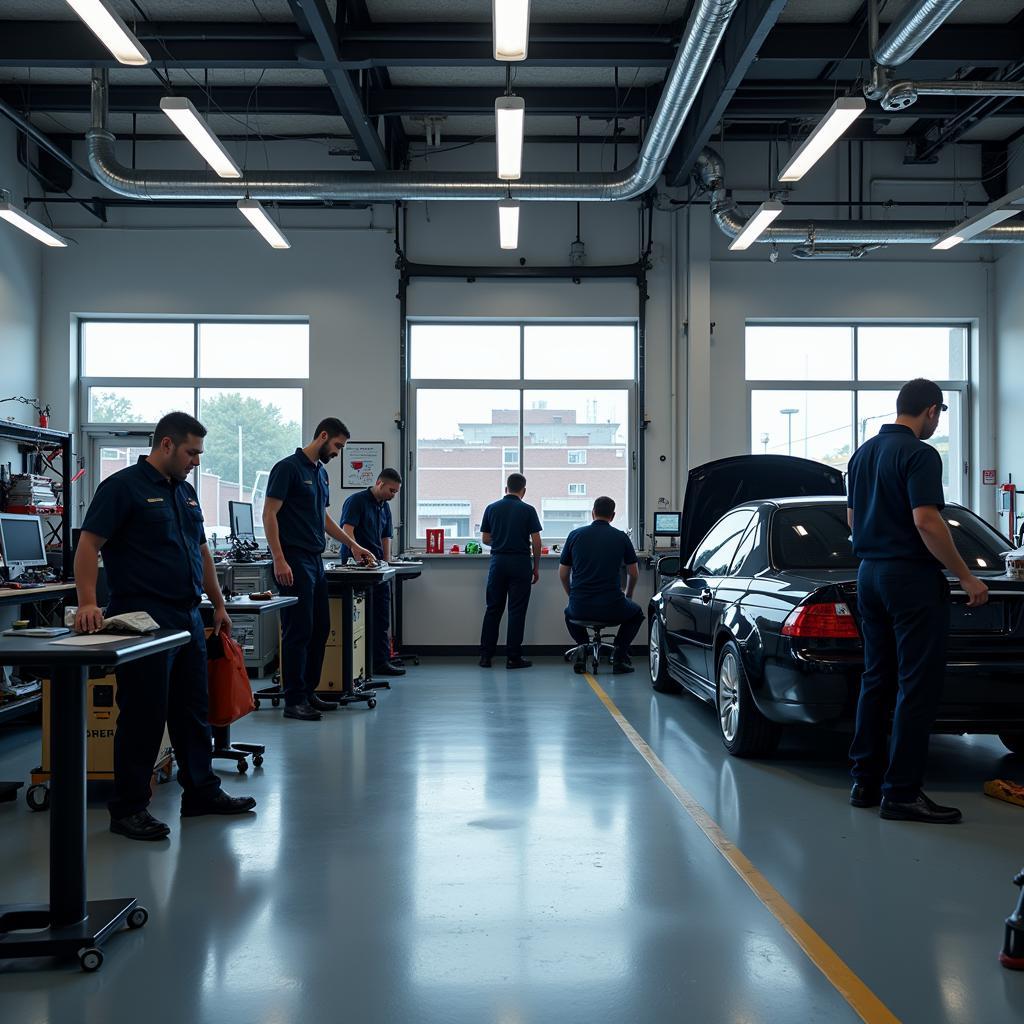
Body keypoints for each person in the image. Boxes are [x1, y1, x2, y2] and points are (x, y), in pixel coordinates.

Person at [74, 412, 256, 842]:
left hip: (189, 616)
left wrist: (218, 604)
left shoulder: (186, 493)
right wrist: (86, 601)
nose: (196, 460)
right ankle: (128, 809)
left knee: (193, 710)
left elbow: (202, 552)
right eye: (192, 452)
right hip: (144, 619)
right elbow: (88, 543)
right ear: (167, 445)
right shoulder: (122, 488)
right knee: (143, 714)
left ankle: (201, 794)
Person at [846, 378, 989, 825]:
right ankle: (902, 792)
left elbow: (851, 516)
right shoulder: (920, 454)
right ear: (932, 410)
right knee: (916, 685)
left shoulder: (863, 453)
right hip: (909, 577)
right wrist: (965, 576)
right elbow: (926, 520)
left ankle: (864, 782)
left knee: (877, 678)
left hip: (868, 574)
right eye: (940, 414)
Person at [263, 418, 375, 722]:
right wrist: (279, 558)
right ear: (322, 436)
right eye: (337, 445)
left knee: (320, 628)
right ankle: (294, 700)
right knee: (297, 631)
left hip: (315, 560)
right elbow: (269, 513)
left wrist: (354, 545)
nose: (339, 452)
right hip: (293, 559)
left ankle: (309, 691)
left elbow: (324, 519)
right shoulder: (287, 468)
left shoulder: (320, 474)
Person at [558, 496, 643, 674]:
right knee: (636, 614)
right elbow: (633, 573)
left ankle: (582, 648)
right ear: (612, 516)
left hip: (580, 606)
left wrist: (572, 595)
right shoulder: (621, 537)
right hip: (613, 607)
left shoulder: (575, 535)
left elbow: (563, 574)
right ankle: (619, 657)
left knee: (568, 612)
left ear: (593, 513)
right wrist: (628, 594)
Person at [338, 468, 405, 676]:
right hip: (357, 567)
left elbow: (387, 536)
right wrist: (356, 552)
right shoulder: (356, 501)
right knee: (358, 618)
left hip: (377, 569)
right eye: (391, 490)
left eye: (396, 492)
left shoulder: (384, 507)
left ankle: (380, 661)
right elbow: (346, 530)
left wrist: (387, 561)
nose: (393, 495)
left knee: (381, 616)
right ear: (380, 484)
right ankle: (358, 663)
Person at [478, 473, 543, 669]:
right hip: (520, 563)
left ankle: (486, 657)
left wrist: (501, 538)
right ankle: (513, 658)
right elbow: (537, 542)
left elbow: (485, 539)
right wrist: (536, 567)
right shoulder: (528, 510)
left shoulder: (491, 508)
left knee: (493, 609)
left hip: (498, 562)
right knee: (517, 611)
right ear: (523, 491)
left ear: (506, 489)